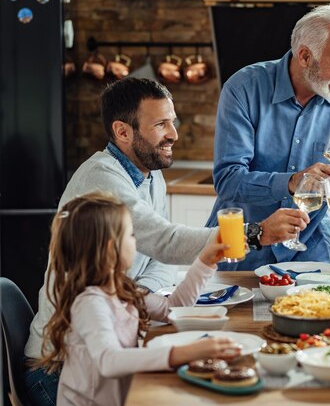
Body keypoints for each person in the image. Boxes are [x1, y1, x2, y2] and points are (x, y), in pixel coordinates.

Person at [24, 77, 305, 406]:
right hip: (61, 370)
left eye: (173, 121)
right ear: (123, 131)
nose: (174, 133)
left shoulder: (150, 173)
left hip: (113, 354)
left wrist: (137, 297)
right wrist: (253, 234)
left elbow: (158, 257)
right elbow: (164, 242)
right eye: (161, 123)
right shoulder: (102, 182)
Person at [205, 4, 330, 271]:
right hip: (241, 250)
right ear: (305, 56)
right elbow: (228, 181)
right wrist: (292, 182)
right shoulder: (244, 89)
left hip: (311, 253)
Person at [33, 192, 241, 406]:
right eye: (131, 235)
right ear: (110, 249)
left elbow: (172, 308)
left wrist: (205, 262)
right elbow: (109, 360)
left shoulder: (122, 289)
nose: (136, 242)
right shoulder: (90, 303)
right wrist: (185, 352)